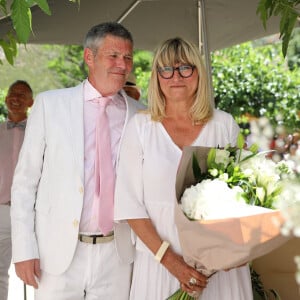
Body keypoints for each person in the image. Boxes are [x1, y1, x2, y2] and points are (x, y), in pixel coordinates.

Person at [10, 22, 144, 300]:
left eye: (128, 57)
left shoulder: (142, 115)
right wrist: (24, 250)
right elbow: (24, 184)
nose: (123, 64)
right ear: (89, 57)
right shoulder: (50, 105)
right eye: (114, 56)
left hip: (118, 255)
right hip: (56, 256)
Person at [114, 37, 253, 299]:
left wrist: (239, 248)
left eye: (185, 68)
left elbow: (245, 195)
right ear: (156, 76)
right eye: (166, 69)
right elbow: (129, 204)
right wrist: (171, 262)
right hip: (160, 266)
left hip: (219, 269)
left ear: (199, 72)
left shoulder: (223, 124)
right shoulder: (140, 127)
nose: (175, 76)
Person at [0, 80, 33, 300]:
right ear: (5, 99)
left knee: (36, 268)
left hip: (30, 211)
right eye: (13, 94)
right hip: (1, 208)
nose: (16, 98)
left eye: (22, 95)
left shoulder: (38, 132)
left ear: (31, 102)